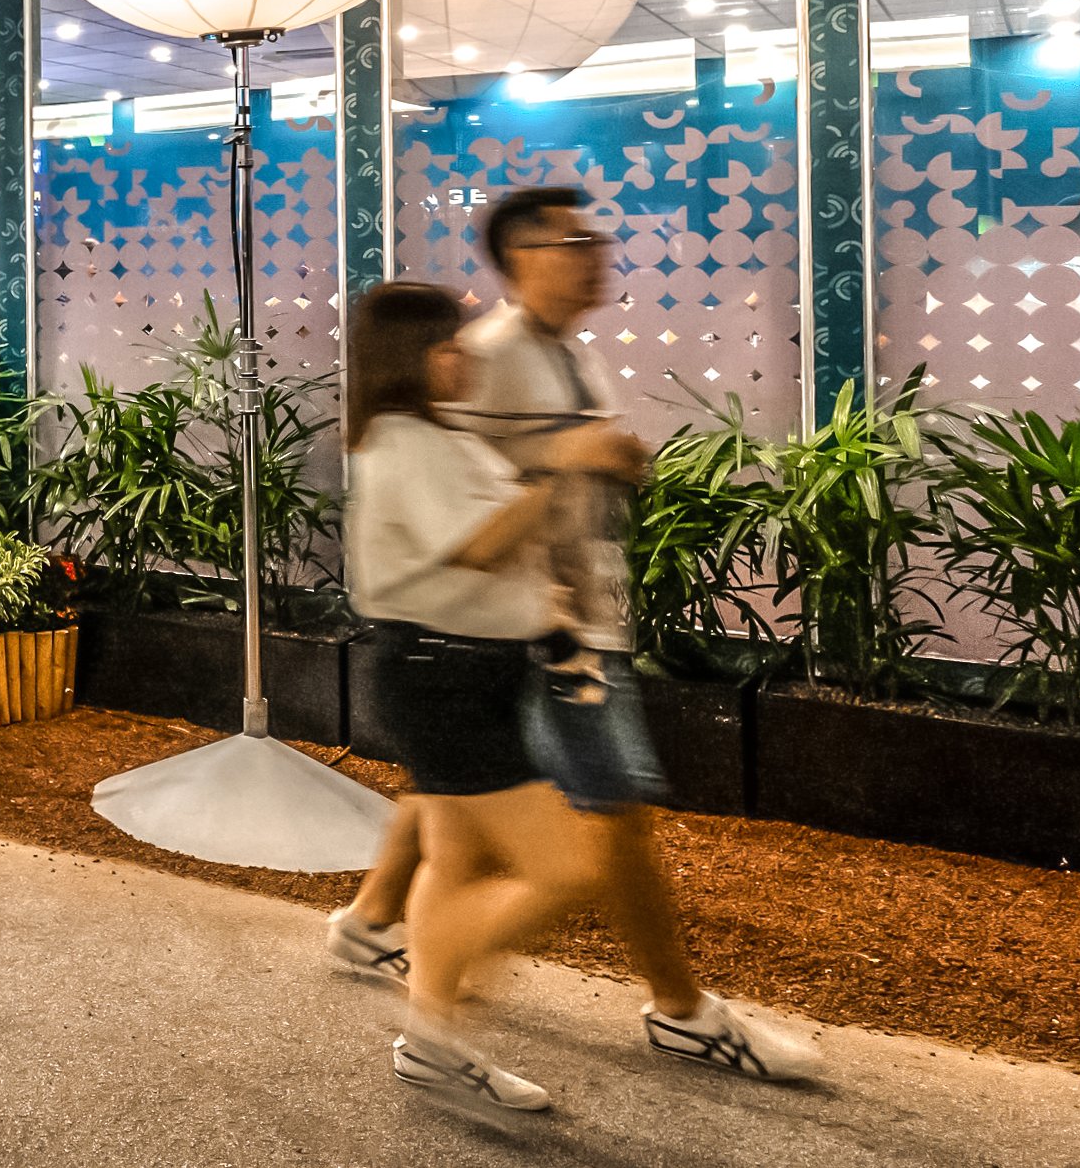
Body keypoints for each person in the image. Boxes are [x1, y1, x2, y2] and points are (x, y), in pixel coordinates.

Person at [328, 187, 815, 1085]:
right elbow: (458, 507)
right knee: (607, 825)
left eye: (599, 237)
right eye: (575, 239)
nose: (598, 252)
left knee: (461, 819)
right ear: (520, 257)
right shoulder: (482, 359)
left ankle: (378, 940)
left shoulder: (559, 354)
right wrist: (569, 474)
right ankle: (679, 1012)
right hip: (539, 635)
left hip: (538, 630)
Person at [336, 277, 648, 1113]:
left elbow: (501, 538)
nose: (466, 358)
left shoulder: (430, 437)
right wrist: (569, 466)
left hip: (458, 670)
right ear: (413, 358)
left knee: (456, 858)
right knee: (567, 865)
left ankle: (430, 1033)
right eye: (450, 346)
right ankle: (429, 1034)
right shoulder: (408, 441)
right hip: (444, 676)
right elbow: (476, 545)